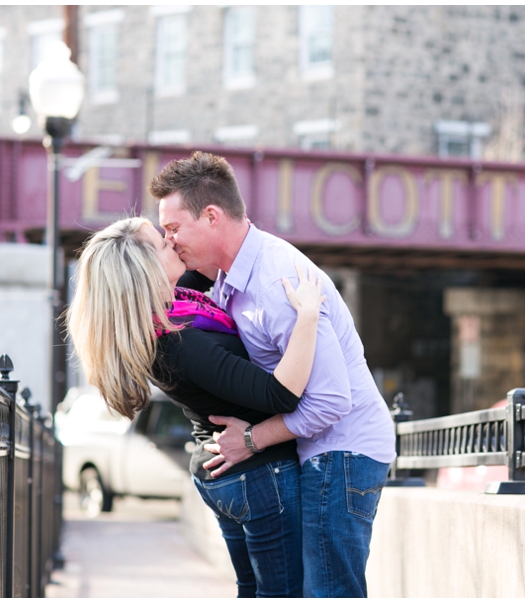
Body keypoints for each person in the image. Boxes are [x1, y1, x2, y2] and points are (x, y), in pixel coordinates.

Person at [151, 152, 397, 598]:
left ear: (211, 216)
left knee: (328, 594)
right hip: (318, 449)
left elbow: (330, 402)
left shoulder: (277, 281)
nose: (170, 242)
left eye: (173, 229)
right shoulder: (229, 279)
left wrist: (252, 439)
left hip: (342, 451)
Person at [66, 216, 327, 597]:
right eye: (161, 242)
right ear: (147, 272)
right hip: (253, 476)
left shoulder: (177, 305)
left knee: (254, 590)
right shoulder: (177, 343)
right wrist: (307, 316)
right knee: (281, 593)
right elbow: (282, 395)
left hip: (231, 470)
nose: (171, 241)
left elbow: (217, 257)